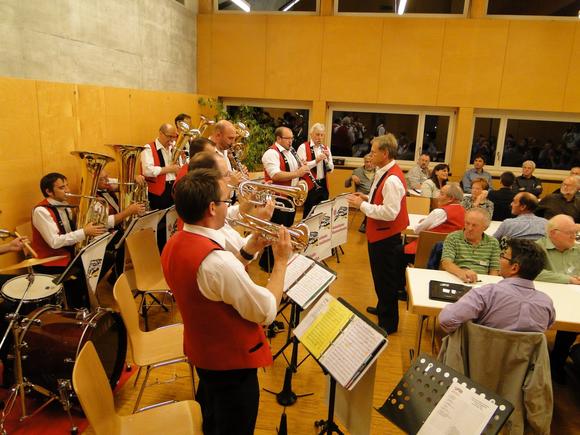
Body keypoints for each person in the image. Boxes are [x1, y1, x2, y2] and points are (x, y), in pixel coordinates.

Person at [161, 168, 292, 435]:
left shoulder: (174, 243)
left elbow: (212, 287)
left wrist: (250, 249)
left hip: (204, 354)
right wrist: (280, 262)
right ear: (212, 208)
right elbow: (266, 311)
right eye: (226, 201)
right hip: (233, 367)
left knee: (212, 421)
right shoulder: (217, 262)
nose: (229, 206)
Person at [347, 134, 408, 334]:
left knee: (386, 280)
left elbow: (390, 213)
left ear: (385, 153)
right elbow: (382, 199)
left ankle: (388, 323)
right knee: (381, 278)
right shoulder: (385, 171)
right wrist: (367, 198)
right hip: (381, 235)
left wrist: (362, 205)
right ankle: (383, 308)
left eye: (373, 152)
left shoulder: (392, 179)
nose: (370, 155)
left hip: (386, 238)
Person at [439, 238, 554, 334]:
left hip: (479, 353)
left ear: (514, 268)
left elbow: (446, 319)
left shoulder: (487, 294)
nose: (500, 259)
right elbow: (547, 327)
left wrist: (469, 331)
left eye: (503, 256)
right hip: (524, 355)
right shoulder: (546, 304)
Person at [31, 173, 107, 308]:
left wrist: (94, 207)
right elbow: (55, 242)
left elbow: (72, 230)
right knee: (84, 271)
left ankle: (84, 300)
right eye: (62, 188)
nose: (68, 190)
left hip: (67, 254)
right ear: (49, 192)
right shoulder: (41, 211)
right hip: (50, 260)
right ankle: (77, 307)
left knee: (104, 258)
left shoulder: (65, 206)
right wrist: (84, 232)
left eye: (67, 186)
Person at [534, 214, 580, 384]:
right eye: (570, 233)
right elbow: (535, 272)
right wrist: (568, 279)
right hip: (546, 298)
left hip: (573, 299)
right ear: (553, 233)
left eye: (575, 233)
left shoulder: (577, 249)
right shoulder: (538, 248)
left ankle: (558, 360)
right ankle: (545, 362)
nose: (574, 237)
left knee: (573, 322)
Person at [259, 126, 310, 272]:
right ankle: (267, 264)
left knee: (285, 229)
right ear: (278, 138)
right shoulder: (271, 153)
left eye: (292, 138)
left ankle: (279, 260)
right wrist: (298, 173)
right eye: (288, 138)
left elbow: (295, 171)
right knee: (276, 231)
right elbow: (275, 175)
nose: (291, 141)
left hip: (290, 196)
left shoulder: (290, 152)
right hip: (277, 198)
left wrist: (303, 166)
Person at [141, 123, 182, 250]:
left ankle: (171, 248)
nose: (171, 140)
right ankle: (161, 251)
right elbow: (147, 170)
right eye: (169, 136)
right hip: (158, 192)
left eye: (174, 137)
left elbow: (178, 168)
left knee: (173, 222)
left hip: (173, 188)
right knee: (161, 225)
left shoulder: (174, 148)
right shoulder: (148, 148)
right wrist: (169, 169)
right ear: (160, 133)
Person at [441, 208, 501, 283]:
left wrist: (490, 285)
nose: (469, 228)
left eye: (474, 225)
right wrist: (461, 273)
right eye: (467, 223)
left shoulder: (493, 243)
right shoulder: (453, 237)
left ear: (485, 228)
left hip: (482, 282)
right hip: (457, 279)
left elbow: (494, 270)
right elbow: (446, 263)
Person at [404, 182, 465, 255]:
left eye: (441, 194)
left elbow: (417, 230)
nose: (438, 197)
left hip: (426, 252)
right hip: (450, 253)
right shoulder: (464, 212)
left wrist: (424, 222)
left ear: (451, 198)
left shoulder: (440, 212)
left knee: (397, 250)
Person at [297, 123, 334, 218]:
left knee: (322, 212)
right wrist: (316, 161)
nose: (320, 138)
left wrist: (327, 159)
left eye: (322, 135)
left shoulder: (326, 148)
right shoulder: (303, 147)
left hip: (323, 184)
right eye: (317, 134)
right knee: (309, 212)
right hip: (310, 184)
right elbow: (301, 167)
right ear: (311, 134)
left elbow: (330, 170)